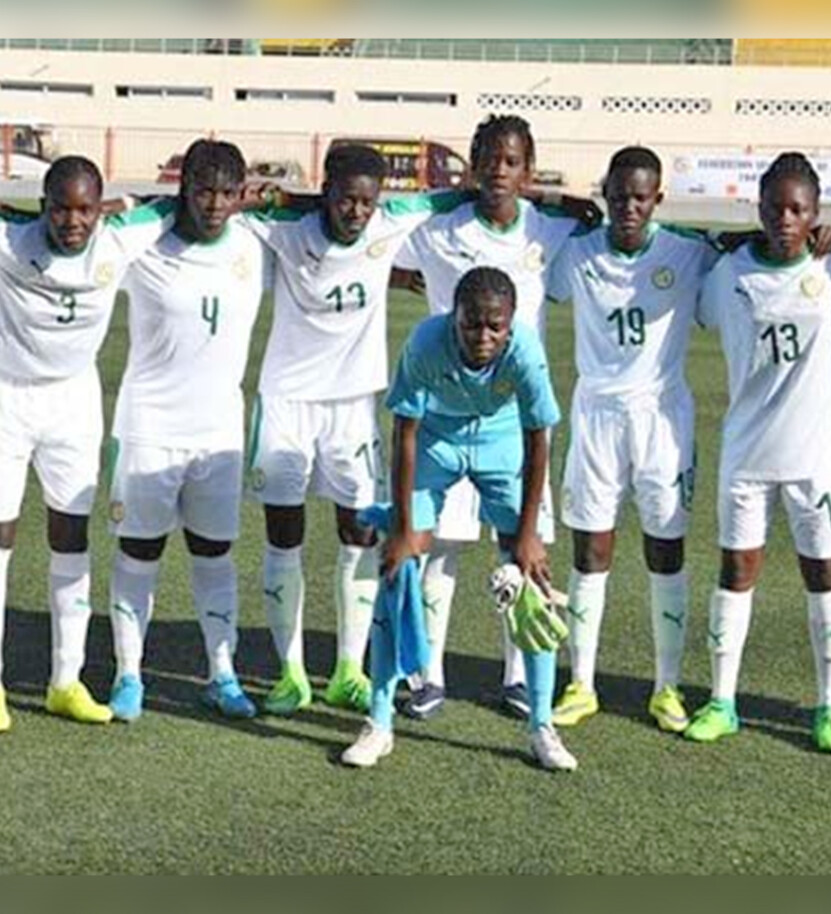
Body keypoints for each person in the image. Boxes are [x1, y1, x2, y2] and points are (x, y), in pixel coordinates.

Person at [242, 144, 467, 716]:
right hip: (286, 401)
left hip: (353, 407)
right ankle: (290, 671)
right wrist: (270, 194)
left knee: (359, 533)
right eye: (346, 199)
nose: (357, 211)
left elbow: (466, 193)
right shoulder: (287, 227)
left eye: (367, 201)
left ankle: (347, 668)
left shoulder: (392, 221)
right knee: (283, 533)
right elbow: (225, 207)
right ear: (326, 193)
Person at [0, 156, 176, 731]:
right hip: (3, 397)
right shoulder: (6, 239)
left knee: (71, 533)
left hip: (73, 402)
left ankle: (65, 680)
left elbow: (185, 205)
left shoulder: (120, 240)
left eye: (85, 208)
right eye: (61, 207)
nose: (72, 220)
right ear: (43, 204)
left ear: (99, 209)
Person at [391, 114, 593, 720]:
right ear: (472, 164)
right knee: (441, 549)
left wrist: (559, 197)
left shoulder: (547, 228)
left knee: (523, 548)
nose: (499, 172)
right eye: (489, 159)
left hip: (512, 416)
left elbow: (595, 216)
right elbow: (372, 237)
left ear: (527, 169)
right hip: (446, 413)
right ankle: (427, 674)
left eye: (511, 162)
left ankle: (516, 678)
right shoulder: (438, 224)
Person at [342, 266, 571, 769]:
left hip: (502, 439)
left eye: (496, 327)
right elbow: (405, 431)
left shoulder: (525, 352)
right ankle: (379, 723)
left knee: (531, 575)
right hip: (436, 442)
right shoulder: (426, 341)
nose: (483, 337)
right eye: (473, 325)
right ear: (454, 316)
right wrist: (403, 529)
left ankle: (541, 726)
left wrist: (529, 535)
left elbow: (539, 441)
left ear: (511, 324)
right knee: (398, 568)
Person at [690, 152, 831, 756]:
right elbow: (692, 246)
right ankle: (721, 701)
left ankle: (828, 707)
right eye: (775, 207)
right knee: (736, 574)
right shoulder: (728, 272)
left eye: (799, 209)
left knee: (824, 577)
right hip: (746, 452)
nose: (785, 218)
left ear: (817, 213)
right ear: (759, 208)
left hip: (818, 454)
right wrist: (731, 237)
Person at [543, 146, 719, 733]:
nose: (628, 207)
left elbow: (749, 242)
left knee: (664, 549)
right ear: (605, 196)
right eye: (617, 196)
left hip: (662, 420)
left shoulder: (686, 252)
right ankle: (582, 683)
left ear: (657, 200)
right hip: (596, 416)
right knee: (590, 552)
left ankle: (667, 687)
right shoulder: (577, 254)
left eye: (640, 197)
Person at [106, 139, 268, 720]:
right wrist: (149, 206)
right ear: (183, 188)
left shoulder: (254, 243)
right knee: (139, 552)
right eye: (203, 190)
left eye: (228, 192)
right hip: (149, 424)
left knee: (214, 554)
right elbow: (82, 235)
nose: (215, 204)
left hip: (219, 430)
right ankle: (129, 675)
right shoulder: (144, 243)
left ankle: (221, 672)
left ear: (242, 194)